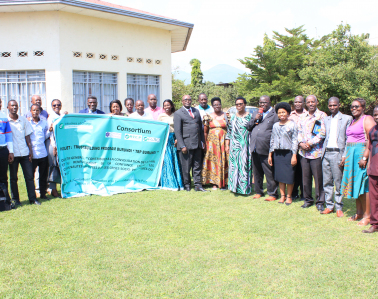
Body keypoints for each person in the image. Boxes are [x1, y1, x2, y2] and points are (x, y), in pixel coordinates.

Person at [341, 98, 375, 226]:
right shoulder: (353, 121)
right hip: (351, 155)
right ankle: (359, 213)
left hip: (361, 154)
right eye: (352, 106)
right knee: (355, 184)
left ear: (363, 107)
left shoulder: (367, 119)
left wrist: (365, 157)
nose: (353, 108)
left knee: (363, 185)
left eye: (357, 106)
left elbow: (371, 139)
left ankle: (368, 216)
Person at [321, 97, 352, 217]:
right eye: (330, 105)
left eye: (334, 105)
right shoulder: (326, 119)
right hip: (326, 153)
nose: (332, 107)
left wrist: (344, 155)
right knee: (327, 181)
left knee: (338, 181)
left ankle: (339, 207)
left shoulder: (347, 118)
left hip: (338, 153)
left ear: (339, 105)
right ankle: (329, 206)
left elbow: (349, 138)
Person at [246, 95, 279, 201]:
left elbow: (276, 131)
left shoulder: (274, 114)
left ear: (269, 102)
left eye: (264, 102)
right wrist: (255, 119)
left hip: (266, 147)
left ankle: (272, 193)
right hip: (255, 146)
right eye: (260, 102)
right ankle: (259, 191)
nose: (262, 104)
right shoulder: (256, 113)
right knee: (257, 172)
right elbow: (248, 127)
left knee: (269, 171)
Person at [7, 100, 40, 205]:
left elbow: (27, 136)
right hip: (13, 154)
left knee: (29, 177)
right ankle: (16, 200)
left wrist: (30, 151)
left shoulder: (23, 120)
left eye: (16, 105)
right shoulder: (6, 121)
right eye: (12, 106)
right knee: (13, 178)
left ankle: (33, 199)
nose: (14, 107)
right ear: (8, 107)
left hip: (25, 153)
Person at [298, 95, 326, 211]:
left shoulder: (322, 116)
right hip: (303, 153)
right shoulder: (302, 116)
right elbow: (298, 131)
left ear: (317, 102)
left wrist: (310, 143)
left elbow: (323, 133)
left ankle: (320, 201)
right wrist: (301, 143)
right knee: (306, 178)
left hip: (316, 152)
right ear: (306, 103)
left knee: (318, 179)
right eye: (308, 102)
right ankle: (308, 199)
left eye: (312, 102)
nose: (311, 104)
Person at [174, 95, 207, 192]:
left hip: (197, 143)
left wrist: (202, 142)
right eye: (185, 100)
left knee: (197, 166)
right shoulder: (178, 113)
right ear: (182, 101)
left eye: (189, 99)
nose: (188, 101)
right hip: (186, 145)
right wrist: (182, 145)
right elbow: (178, 131)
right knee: (186, 167)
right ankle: (187, 185)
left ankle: (198, 185)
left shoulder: (196, 111)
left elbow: (200, 128)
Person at [268, 102, 298, 205]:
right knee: (280, 177)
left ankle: (289, 197)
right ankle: (282, 196)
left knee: (289, 177)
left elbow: (295, 141)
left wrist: (294, 155)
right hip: (277, 154)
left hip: (288, 153)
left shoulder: (292, 124)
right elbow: (272, 140)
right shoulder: (275, 125)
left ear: (288, 113)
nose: (281, 114)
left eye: (283, 112)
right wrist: (270, 154)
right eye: (279, 112)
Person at [226, 97, 253, 195]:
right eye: (237, 104)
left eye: (240, 104)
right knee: (234, 167)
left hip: (246, 146)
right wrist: (227, 145)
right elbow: (229, 132)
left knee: (244, 167)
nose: (239, 106)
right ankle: (234, 188)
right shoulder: (233, 117)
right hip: (234, 147)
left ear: (245, 104)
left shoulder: (250, 116)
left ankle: (244, 189)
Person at [201, 97, 228, 190]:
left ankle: (225, 182)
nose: (217, 106)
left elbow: (229, 129)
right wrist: (204, 143)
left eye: (219, 104)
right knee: (213, 161)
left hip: (223, 142)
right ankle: (214, 183)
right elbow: (205, 131)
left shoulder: (226, 115)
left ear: (221, 105)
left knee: (224, 160)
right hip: (212, 143)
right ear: (212, 106)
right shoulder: (208, 116)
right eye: (215, 105)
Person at [157, 100, 184, 191]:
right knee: (167, 159)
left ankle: (178, 182)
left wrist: (178, 139)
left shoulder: (176, 114)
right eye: (164, 105)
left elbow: (179, 127)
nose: (166, 107)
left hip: (175, 138)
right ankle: (168, 182)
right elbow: (158, 128)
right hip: (165, 138)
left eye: (168, 105)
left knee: (175, 159)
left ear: (171, 106)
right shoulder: (161, 116)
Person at [29, 104, 51, 200]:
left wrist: (49, 131)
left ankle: (43, 194)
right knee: (31, 176)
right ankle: (33, 196)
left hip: (43, 153)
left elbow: (45, 136)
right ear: (31, 111)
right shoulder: (28, 123)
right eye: (33, 110)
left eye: (37, 110)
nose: (35, 112)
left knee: (43, 175)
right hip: (32, 154)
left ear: (39, 112)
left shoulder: (44, 122)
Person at [362, 105, 378, 233]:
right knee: (374, 198)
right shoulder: (372, 130)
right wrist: (368, 166)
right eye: (375, 114)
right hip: (374, 169)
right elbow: (370, 147)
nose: (377, 117)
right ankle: (375, 223)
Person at [289, 96, 307, 200]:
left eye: (300, 102)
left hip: (305, 148)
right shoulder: (290, 115)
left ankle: (304, 194)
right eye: (296, 102)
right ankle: (294, 193)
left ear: (303, 103)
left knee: (303, 172)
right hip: (292, 147)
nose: (298, 104)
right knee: (294, 171)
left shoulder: (308, 114)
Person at [47, 99, 66, 197]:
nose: (56, 106)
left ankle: (61, 188)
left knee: (61, 167)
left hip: (61, 145)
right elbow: (51, 134)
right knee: (53, 166)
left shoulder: (61, 116)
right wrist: (54, 147)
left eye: (58, 105)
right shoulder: (51, 118)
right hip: (53, 145)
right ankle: (53, 189)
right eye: (54, 105)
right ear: (52, 106)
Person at [0, 98, 14, 202]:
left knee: (3, 176)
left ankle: (5, 201)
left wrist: (11, 151)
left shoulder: (4, 117)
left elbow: (8, 135)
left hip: (3, 150)